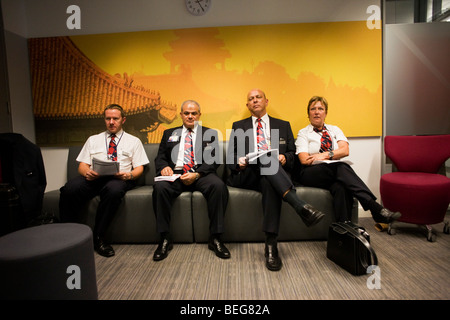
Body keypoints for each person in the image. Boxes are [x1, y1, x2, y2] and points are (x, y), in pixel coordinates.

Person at [226, 88, 325, 272]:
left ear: (266, 101)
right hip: (248, 175)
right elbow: (230, 157)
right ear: (247, 105)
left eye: (258, 97)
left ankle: (271, 245)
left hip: (272, 176)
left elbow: (293, 155)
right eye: (251, 99)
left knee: (269, 179)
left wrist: (285, 158)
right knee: (266, 161)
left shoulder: (282, 125)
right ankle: (299, 205)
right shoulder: (239, 126)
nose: (255, 100)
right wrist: (238, 162)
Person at [59, 104, 149, 257]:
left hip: (120, 178)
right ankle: (69, 236)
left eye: (115, 118)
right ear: (104, 120)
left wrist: (130, 175)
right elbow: (82, 165)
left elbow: (139, 167)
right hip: (94, 178)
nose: (111, 122)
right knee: (69, 189)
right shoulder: (93, 140)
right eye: (108, 119)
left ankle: (99, 237)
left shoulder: (134, 141)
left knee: (113, 191)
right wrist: (87, 172)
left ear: (123, 120)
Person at [295, 96, 401, 223]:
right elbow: (304, 159)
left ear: (326, 113)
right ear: (309, 114)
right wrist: (334, 154)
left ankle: (345, 229)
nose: (317, 112)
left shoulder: (335, 129)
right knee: (340, 167)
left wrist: (324, 155)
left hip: (334, 172)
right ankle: (374, 206)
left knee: (341, 187)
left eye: (320, 108)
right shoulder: (303, 133)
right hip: (311, 173)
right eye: (313, 109)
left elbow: (345, 150)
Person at [152, 100, 230, 261]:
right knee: (160, 188)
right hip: (176, 174)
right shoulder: (169, 134)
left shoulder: (210, 134)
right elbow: (160, 158)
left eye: (194, 113)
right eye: (186, 113)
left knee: (218, 186)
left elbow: (213, 160)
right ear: (181, 115)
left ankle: (216, 237)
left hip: (201, 173)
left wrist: (197, 174)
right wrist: (164, 168)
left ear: (199, 115)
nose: (190, 116)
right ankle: (165, 238)